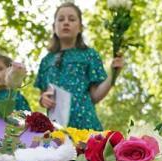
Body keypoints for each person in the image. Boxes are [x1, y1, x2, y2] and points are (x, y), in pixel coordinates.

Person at [35, 2, 123, 130]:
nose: (66, 22)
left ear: (80, 27)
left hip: (86, 126)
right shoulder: (46, 61)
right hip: (56, 129)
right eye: (61, 19)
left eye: (71, 19)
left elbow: (95, 96)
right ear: (54, 27)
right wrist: (43, 100)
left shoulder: (89, 55)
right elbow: (44, 94)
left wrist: (113, 74)